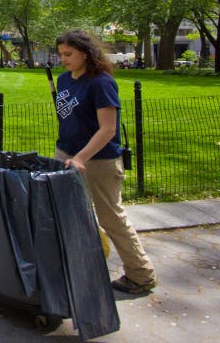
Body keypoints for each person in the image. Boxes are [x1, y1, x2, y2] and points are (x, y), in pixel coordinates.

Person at [54, 29, 157, 294]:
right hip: (66, 156)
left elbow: (108, 129)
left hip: (99, 161)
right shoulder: (64, 80)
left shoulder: (100, 83)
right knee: (67, 216)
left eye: (69, 54)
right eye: (61, 54)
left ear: (86, 53)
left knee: (111, 218)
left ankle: (141, 275)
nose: (63, 59)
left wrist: (81, 157)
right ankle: (76, 269)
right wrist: (67, 154)